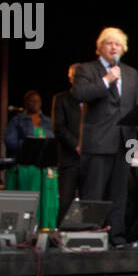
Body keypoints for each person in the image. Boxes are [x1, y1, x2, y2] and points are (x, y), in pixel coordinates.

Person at [72, 27, 138, 247]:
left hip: (125, 141)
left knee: (119, 193)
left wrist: (135, 148)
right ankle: (88, 235)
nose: (114, 47)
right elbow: (79, 94)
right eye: (109, 43)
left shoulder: (131, 73)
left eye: (118, 44)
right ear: (100, 47)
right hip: (98, 141)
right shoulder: (87, 69)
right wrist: (106, 80)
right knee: (93, 191)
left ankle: (117, 236)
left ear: (124, 49)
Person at [4, 89, 59, 230]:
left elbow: (54, 142)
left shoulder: (48, 121)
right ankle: (26, 229)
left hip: (44, 167)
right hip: (26, 166)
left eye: (38, 101)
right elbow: (10, 142)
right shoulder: (17, 120)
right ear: (25, 103)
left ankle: (46, 227)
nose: (35, 103)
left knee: (47, 200)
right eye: (31, 100)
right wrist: (30, 144)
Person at [51, 65, 83, 225]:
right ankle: (62, 236)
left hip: (90, 159)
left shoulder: (93, 99)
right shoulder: (61, 98)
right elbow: (58, 127)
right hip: (69, 158)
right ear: (70, 78)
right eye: (75, 76)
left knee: (89, 200)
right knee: (66, 201)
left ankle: (88, 234)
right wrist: (76, 145)